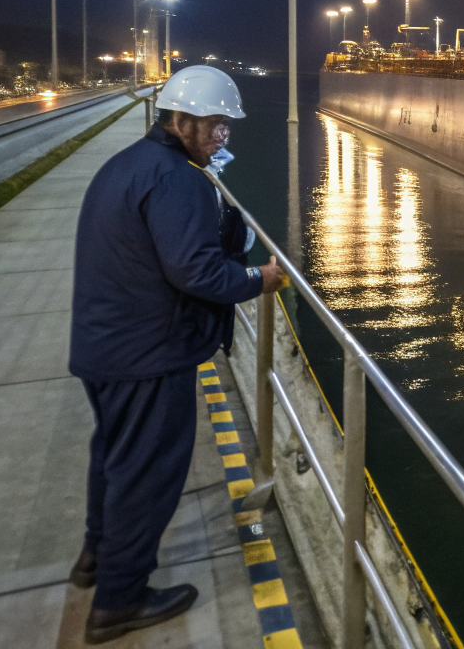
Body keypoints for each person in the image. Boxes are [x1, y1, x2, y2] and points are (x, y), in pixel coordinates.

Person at [68, 65, 284, 644]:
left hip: (105, 345)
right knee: (147, 474)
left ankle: (96, 558)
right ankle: (119, 600)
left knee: (114, 458)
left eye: (227, 126)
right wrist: (259, 278)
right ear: (181, 121)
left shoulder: (128, 165)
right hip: (148, 355)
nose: (222, 135)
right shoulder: (177, 180)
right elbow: (198, 271)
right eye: (214, 125)